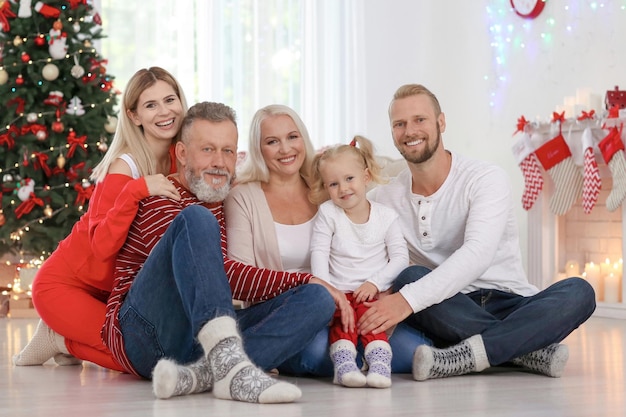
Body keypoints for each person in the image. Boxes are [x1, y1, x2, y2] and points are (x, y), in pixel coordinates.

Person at [359, 83, 597, 381]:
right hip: (448, 308)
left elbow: (477, 254)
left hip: (511, 303)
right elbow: (348, 225)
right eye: (399, 124)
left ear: (441, 122)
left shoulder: (485, 178)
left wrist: (405, 301)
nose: (410, 131)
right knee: (410, 277)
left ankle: (464, 356)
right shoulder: (385, 198)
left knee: (579, 291)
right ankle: (524, 350)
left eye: (419, 119)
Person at [102, 101, 336, 404]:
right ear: (183, 154)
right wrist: (303, 278)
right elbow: (214, 275)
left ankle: (201, 376)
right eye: (208, 149)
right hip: (148, 334)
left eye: (228, 151)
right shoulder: (162, 196)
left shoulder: (226, 197)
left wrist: (311, 287)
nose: (220, 162)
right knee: (198, 220)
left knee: (318, 300)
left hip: (202, 340)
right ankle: (230, 366)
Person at [224, 104, 431, 377]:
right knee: (319, 348)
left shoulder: (327, 188)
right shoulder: (243, 198)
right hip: (294, 311)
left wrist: (380, 287)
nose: (286, 149)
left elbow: (370, 238)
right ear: (259, 149)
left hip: (351, 299)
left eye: (292, 137)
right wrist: (315, 288)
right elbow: (242, 280)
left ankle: (363, 355)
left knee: (415, 349)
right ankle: (358, 360)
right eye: (272, 142)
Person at [13, 67, 186, 371]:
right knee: (140, 358)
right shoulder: (125, 168)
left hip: (112, 291)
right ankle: (59, 339)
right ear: (134, 116)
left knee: (159, 347)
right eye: (151, 105)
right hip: (63, 285)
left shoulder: (178, 156)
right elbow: (102, 246)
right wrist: (137, 190)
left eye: (170, 99)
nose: (165, 111)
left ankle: (66, 338)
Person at [308, 135, 408, 388]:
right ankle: (345, 366)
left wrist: (375, 283)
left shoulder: (386, 217)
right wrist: (328, 291)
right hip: (340, 291)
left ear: (365, 177)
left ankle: (380, 365)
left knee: (372, 323)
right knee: (343, 325)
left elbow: (400, 258)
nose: (343, 189)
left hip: (371, 292)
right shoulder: (328, 213)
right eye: (333, 184)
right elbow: (318, 253)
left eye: (349, 179)